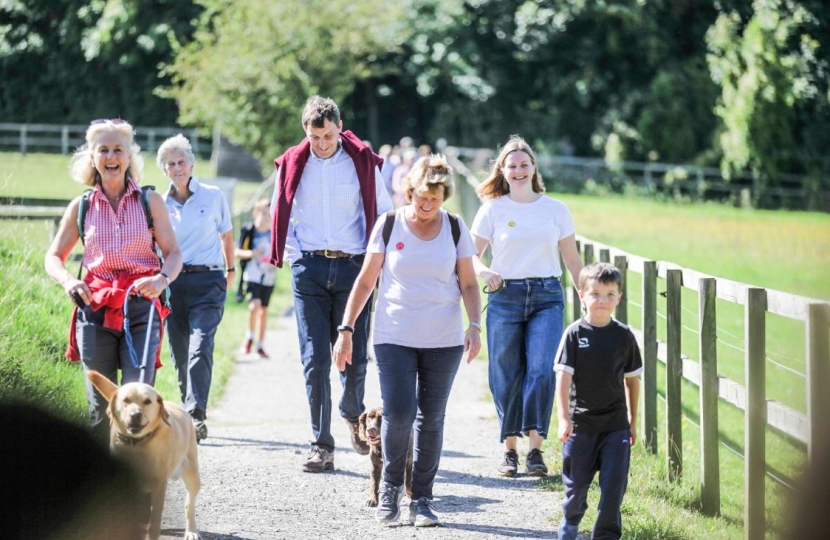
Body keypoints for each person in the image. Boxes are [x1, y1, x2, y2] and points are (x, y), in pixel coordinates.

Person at [333, 154, 482, 527]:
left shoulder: (455, 227)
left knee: (430, 419)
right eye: (421, 196)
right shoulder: (389, 225)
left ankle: (423, 499)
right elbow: (366, 281)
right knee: (398, 414)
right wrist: (346, 330)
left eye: (435, 197)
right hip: (394, 335)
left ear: (444, 195)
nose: (427, 204)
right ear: (409, 190)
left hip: (443, 338)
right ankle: (389, 492)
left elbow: (467, 281)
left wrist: (475, 325)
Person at [269, 95, 393, 472]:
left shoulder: (360, 163)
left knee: (351, 357)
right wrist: (294, 256)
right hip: (309, 267)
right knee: (314, 360)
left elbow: (385, 213)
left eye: (327, 135)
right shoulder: (293, 163)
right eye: (314, 136)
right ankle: (321, 445)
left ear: (339, 128)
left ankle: (351, 409)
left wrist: (377, 261)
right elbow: (280, 208)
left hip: (354, 267)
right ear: (305, 131)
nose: (321, 144)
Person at [45, 118, 182, 445]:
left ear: (129, 156)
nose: (111, 156)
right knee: (101, 407)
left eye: (118, 149)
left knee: (138, 405)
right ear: (92, 157)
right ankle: (103, 488)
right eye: (102, 149)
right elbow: (53, 257)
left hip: (141, 309)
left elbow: (174, 253)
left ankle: (141, 483)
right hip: (94, 310)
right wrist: (68, 282)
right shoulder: (82, 206)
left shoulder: (151, 202)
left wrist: (162, 280)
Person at [470, 135, 582, 477]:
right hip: (505, 297)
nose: (518, 170)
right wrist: (485, 270)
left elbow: (573, 261)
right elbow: (469, 256)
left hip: (547, 296)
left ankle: (535, 449)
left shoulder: (556, 209)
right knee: (505, 373)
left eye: (524, 164)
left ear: (534, 167)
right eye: (512, 165)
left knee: (539, 370)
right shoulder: (493, 209)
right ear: (502, 170)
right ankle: (509, 449)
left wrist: (588, 301)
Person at [554, 262, 642, 540]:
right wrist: (563, 418)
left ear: (619, 297)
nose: (602, 301)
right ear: (582, 295)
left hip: (615, 425)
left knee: (614, 485)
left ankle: (606, 534)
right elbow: (563, 380)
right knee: (576, 483)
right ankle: (570, 520)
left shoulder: (624, 336)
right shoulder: (574, 334)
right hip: (581, 425)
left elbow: (632, 380)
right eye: (595, 294)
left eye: (609, 294)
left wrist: (632, 419)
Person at [157, 134, 235, 443]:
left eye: (181, 161)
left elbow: (227, 236)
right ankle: (188, 410)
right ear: (164, 169)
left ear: (192, 163)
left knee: (200, 345)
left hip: (208, 281)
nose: (177, 168)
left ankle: (196, 415)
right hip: (172, 283)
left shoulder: (213, 196)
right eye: (170, 163)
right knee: (179, 350)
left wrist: (230, 270)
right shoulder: (158, 204)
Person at [235, 199, 276, 358]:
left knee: (263, 310)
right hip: (252, 274)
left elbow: (281, 255)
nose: (267, 217)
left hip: (269, 276)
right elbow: (237, 252)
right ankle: (249, 338)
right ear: (256, 213)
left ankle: (260, 344)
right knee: (254, 306)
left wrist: (274, 262)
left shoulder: (274, 233)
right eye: (264, 213)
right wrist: (253, 254)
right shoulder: (249, 230)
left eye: (269, 214)